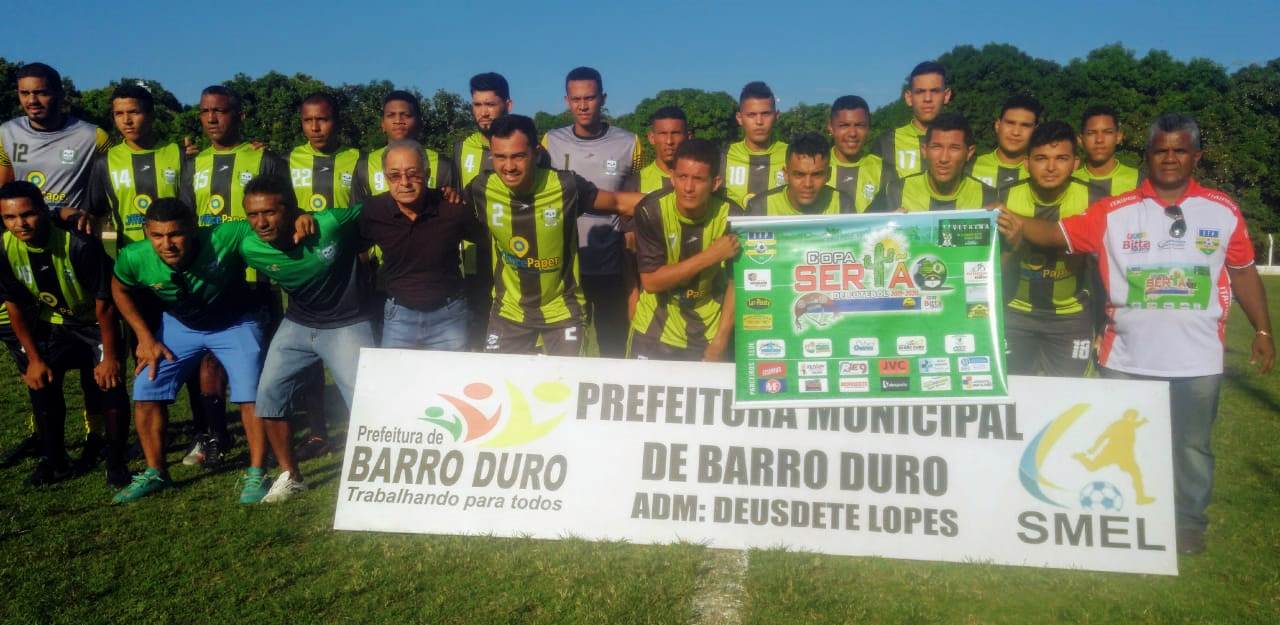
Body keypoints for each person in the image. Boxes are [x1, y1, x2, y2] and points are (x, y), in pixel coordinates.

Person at [996, 113, 1275, 555]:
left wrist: (1262, 328)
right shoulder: (1115, 210)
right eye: (1160, 150)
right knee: (1120, 449)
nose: (1169, 158)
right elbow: (1056, 234)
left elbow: (1242, 272)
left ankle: (1188, 524)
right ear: (1147, 156)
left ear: (1195, 156)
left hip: (1198, 360)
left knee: (1192, 448)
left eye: (1179, 149)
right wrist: (1012, 221)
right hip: (1125, 359)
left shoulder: (1223, 210)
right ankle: (1124, 517)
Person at [109, 198, 272, 504]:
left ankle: (257, 472)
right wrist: (145, 337)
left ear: (194, 229)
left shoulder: (225, 236)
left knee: (250, 391)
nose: (166, 244)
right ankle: (156, 472)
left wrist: (302, 219)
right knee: (147, 387)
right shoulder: (133, 256)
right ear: (146, 232)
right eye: (157, 235)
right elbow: (119, 289)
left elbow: (269, 225)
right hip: (181, 325)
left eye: (175, 234)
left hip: (234, 322)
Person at [234, 174, 379, 501]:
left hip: (348, 322)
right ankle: (291, 475)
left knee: (368, 403)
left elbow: (371, 208)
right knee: (268, 396)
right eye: (253, 215)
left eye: (269, 213)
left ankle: (376, 476)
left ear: (289, 208)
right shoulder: (248, 245)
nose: (261, 222)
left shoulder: (326, 224)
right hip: (298, 323)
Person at [0, 62, 111, 469]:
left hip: (75, 252)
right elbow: (5, 193)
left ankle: (96, 434)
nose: (33, 100)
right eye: (26, 93)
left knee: (88, 345)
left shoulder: (92, 136)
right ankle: (42, 433)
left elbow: (116, 178)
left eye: (42, 92)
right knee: (34, 345)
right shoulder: (6, 134)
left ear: (60, 93)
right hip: (26, 248)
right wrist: (46, 213)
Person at [467, 114, 640, 356]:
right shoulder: (481, 188)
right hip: (509, 312)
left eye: (518, 156)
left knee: (563, 389)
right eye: (500, 157)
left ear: (536, 153)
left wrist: (677, 200)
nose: (509, 167)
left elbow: (619, 201)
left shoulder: (566, 186)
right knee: (504, 389)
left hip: (562, 312)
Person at [179, 84, 282, 468]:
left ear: (239, 115)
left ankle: (268, 434)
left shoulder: (265, 159)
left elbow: (282, 211)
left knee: (261, 358)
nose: (211, 119)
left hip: (257, 275)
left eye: (220, 111)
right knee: (209, 358)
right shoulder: (193, 164)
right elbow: (187, 221)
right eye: (205, 111)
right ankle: (214, 435)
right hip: (211, 278)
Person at [0, 181, 129, 487]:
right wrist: (33, 359)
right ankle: (54, 460)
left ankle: (116, 462)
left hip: (96, 325)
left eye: (28, 214)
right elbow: (14, 305)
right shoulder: (4, 248)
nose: (20, 223)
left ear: (44, 211)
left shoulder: (80, 245)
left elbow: (106, 306)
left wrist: (110, 357)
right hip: (57, 324)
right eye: (10, 218)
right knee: (41, 382)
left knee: (109, 384)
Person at [541, 67, 641, 359]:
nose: (583, 106)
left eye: (590, 98)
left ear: (603, 98)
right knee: (568, 353)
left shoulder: (629, 143)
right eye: (576, 99)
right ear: (566, 100)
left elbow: (632, 202)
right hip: (567, 267)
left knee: (612, 349)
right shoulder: (550, 142)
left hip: (611, 265)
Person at [286, 91, 360, 460]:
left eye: (323, 119)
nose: (315, 127)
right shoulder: (285, 161)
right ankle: (317, 432)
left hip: (350, 270)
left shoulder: (357, 159)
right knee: (310, 355)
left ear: (338, 121)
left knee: (356, 354)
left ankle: (362, 426)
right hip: (305, 272)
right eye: (308, 121)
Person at [998, 121, 1105, 376]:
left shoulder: (1094, 200)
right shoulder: (1002, 198)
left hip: (1071, 318)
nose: (1050, 167)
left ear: (1075, 163)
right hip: (1015, 314)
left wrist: (1103, 323)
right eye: (1041, 158)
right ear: (1026, 162)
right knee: (1015, 396)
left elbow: (1104, 269)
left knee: (1071, 400)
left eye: (1061, 158)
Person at [362, 141, 486, 350]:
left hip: (450, 317)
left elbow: (487, 241)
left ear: (427, 174)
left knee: (449, 381)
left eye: (413, 174)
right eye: (395, 175)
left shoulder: (453, 209)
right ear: (385, 178)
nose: (405, 182)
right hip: (398, 317)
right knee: (396, 382)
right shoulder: (372, 211)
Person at [629, 139, 738, 361]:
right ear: (672, 178)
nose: (688, 187)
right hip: (653, 330)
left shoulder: (733, 217)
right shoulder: (651, 211)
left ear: (715, 183)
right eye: (682, 177)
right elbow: (651, 282)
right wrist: (711, 256)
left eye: (698, 179)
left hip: (708, 334)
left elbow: (737, 285)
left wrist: (721, 340)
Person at [873, 112, 997, 211]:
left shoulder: (989, 196)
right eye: (936, 147)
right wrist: (886, 227)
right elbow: (863, 234)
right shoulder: (895, 191)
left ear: (969, 153)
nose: (944, 159)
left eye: (954, 148)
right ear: (924, 150)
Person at [353, 90, 456, 201]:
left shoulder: (443, 165)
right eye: (391, 115)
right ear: (382, 124)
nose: (398, 121)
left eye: (406, 115)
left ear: (419, 122)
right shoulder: (365, 165)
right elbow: (357, 212)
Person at [873, 61, 952, 182]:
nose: (927, 99)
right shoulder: (886, 142)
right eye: (920, 92)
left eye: (934, 91)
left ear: (946, 96)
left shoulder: (961, 141)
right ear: (909, 98)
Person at [743, 133, 855, 216]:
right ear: (786, 174)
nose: (807, 184)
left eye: (816, 175)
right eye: (799, 174)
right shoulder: (760, 207)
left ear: (828, 175)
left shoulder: (843, 204)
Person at [721, 81, 787, 207]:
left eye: (766, 114)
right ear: (739, 118)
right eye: (751, 115)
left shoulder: (791, 155)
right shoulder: (723, 157)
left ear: (776, 116)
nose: (759, 121)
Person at [970, 94, 1041, 189]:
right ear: (998, 125)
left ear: (1036, 131)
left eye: (1025, 125)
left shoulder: (1042, 174)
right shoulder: (969, 167)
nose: (1016, 132)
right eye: (1010, 123)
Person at [826, 95, 883, 212]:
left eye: (859, 125)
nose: (852, 133)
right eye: (844, 125)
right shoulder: (817, 167)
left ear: (868, 128)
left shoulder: (883, 169)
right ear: (830, 127)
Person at [1074, 104, 1144, 196]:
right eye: (1091, 133)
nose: (1099, 140)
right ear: (1080, 140)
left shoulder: (1140, 181)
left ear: (1118, 137)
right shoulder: (1067, 183)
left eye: (1107, 132)